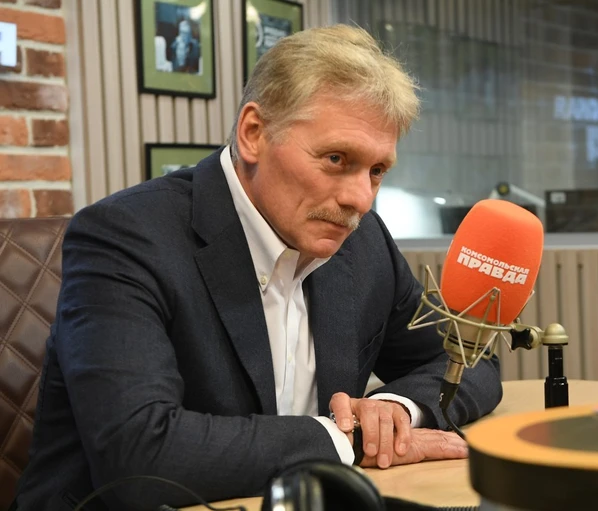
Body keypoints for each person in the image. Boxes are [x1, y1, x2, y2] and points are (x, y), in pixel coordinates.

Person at [13, 24, 502, 511]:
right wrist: (343, 440)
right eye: (336, 158)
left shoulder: (363, 240)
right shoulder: (124, 236)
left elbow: (470, 360)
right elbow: (139, 453)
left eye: (376, 171)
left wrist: (395, 411)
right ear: (254, 134)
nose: (360, 199)